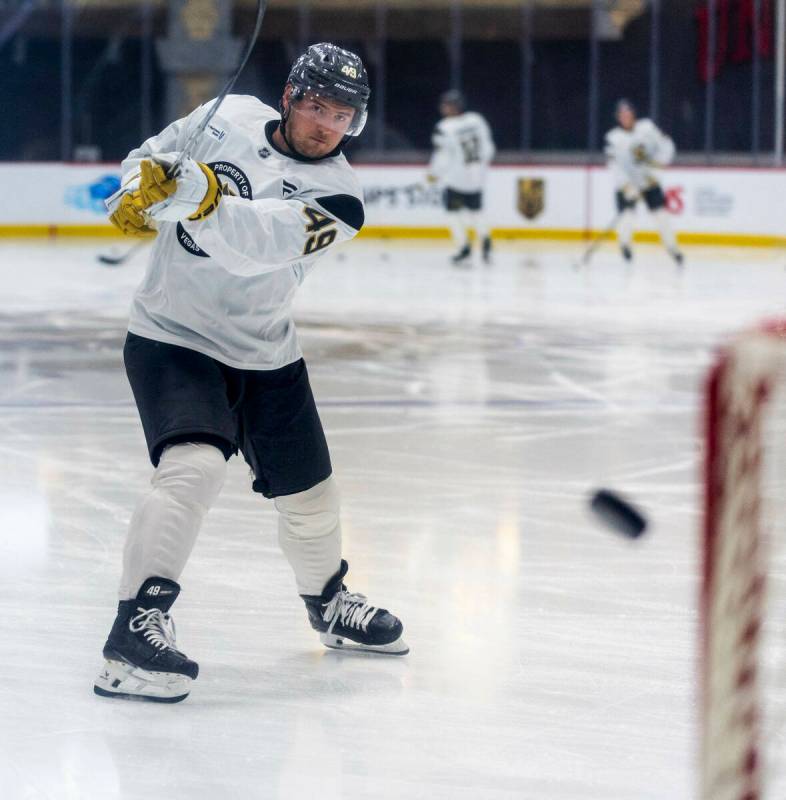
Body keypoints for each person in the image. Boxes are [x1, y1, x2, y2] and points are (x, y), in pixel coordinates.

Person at [94, 43, 408, 704]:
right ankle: (133, 631)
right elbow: (149, 158)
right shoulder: (225, 114)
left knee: (312, 495)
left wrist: (200, 194)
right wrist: (135, 191)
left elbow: (257, 246)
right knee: (194, 467)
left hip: (266, 353)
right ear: (290, 97)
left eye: (344, 115)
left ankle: (328, 605)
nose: (328, 124)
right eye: (318, 106)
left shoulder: (341, 197)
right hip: (172, 336)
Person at [604, 99, 683, 265]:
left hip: (648, 181)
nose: (625, 117)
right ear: (618, 118)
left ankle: (673, 249)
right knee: (626, 217)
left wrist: (656, 171)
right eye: (622, 115)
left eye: (628, 113)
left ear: (633, 114)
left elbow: (666, 145)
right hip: (628, 184)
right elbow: (614, 167)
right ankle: (625, 247)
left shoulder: (647, 127)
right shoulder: (613, 138)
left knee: (661, 216)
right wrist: (627, 186)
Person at [427, 90, 496, 266]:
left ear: (453, 107)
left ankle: (464, 246)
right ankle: (486, 239)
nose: (443, 108)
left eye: (446, 105)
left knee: (453, 214)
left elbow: (443, 156)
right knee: (477, 212)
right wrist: (479, 169)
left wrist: (434, 174)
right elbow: (488, 148)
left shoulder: (444, 127)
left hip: (456, 180)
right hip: (477, 178)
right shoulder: (477, 120)